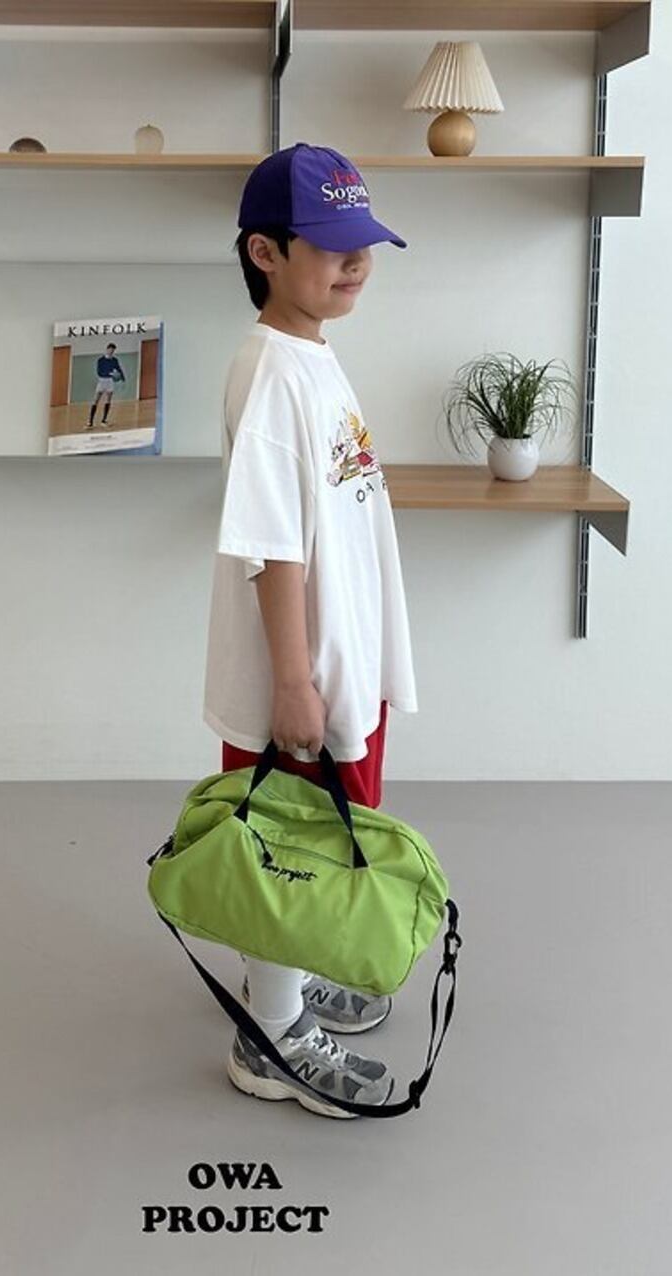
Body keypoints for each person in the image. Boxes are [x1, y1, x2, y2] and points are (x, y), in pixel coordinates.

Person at [202, 143, 419, 1119]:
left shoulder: (311, 357)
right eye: (331, 244)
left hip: (339, 655)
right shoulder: (270, 374)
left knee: (320, 838)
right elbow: (270, 545)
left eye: (363, 242)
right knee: (294, 847)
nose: (356, 261)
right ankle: (272, 1037)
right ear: (265, 252)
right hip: (305, 668)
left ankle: (280, 986)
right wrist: (292, 680)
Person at [87, 342, 125, 429]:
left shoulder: (114, 360)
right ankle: (90, 422)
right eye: (110, 350)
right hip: (102, 381)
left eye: (113, 351)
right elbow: (99, 372)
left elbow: (119, 369)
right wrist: (110, 373)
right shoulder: (101, 360)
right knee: (96, 400)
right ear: (107, 349)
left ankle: (104, 421)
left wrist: (122, 378)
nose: (111, 352)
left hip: (110, 381)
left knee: (108, 400)